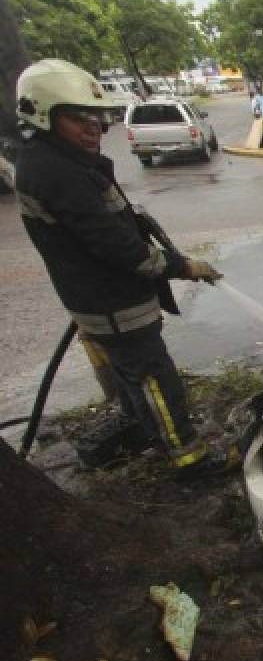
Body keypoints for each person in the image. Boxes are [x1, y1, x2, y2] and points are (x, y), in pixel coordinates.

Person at [14, 59, 233, 477]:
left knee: (133, 378)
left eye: (95, 116)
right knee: (155, 378)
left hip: (98, 299)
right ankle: (190, 458)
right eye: (77, 118)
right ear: (43, 114)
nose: (92, 126)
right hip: (112, 301)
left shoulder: (55, 161)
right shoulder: (58, 172)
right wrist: (181, 265)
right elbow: (118, 246)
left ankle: (149, 433)